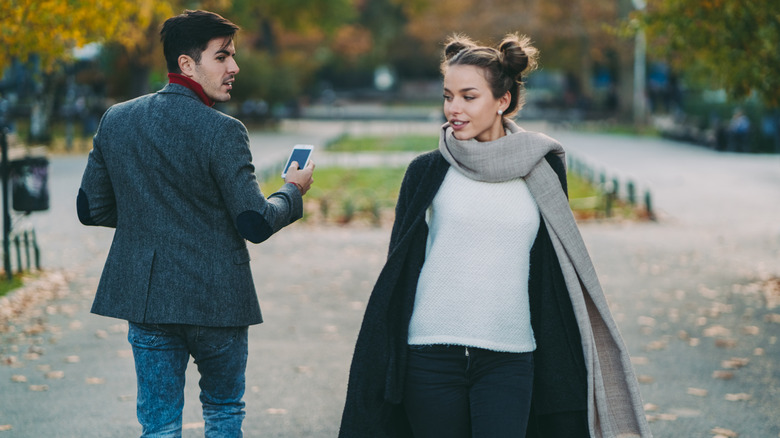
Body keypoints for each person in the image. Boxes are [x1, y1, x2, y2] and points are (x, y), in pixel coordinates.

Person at [339, 33, 651, 438]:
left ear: (502, 101)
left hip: (510, 356)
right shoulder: (427, 171)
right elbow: (398, 272)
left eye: (469, 97)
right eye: (448, 96)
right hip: (430, 352)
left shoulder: (541, 169)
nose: (454, 109)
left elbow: (553, 273)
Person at [77, 9, 314, 437]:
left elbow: (90, 208)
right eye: (222, 56)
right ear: (187, 64)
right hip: (217, 299)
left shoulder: (117, 119)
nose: (234, 67)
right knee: (223, 412)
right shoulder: (224, 131)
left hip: (148, 300)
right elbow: (255, 223)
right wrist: (293, 190)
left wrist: (149, 219)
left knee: (159, 425)